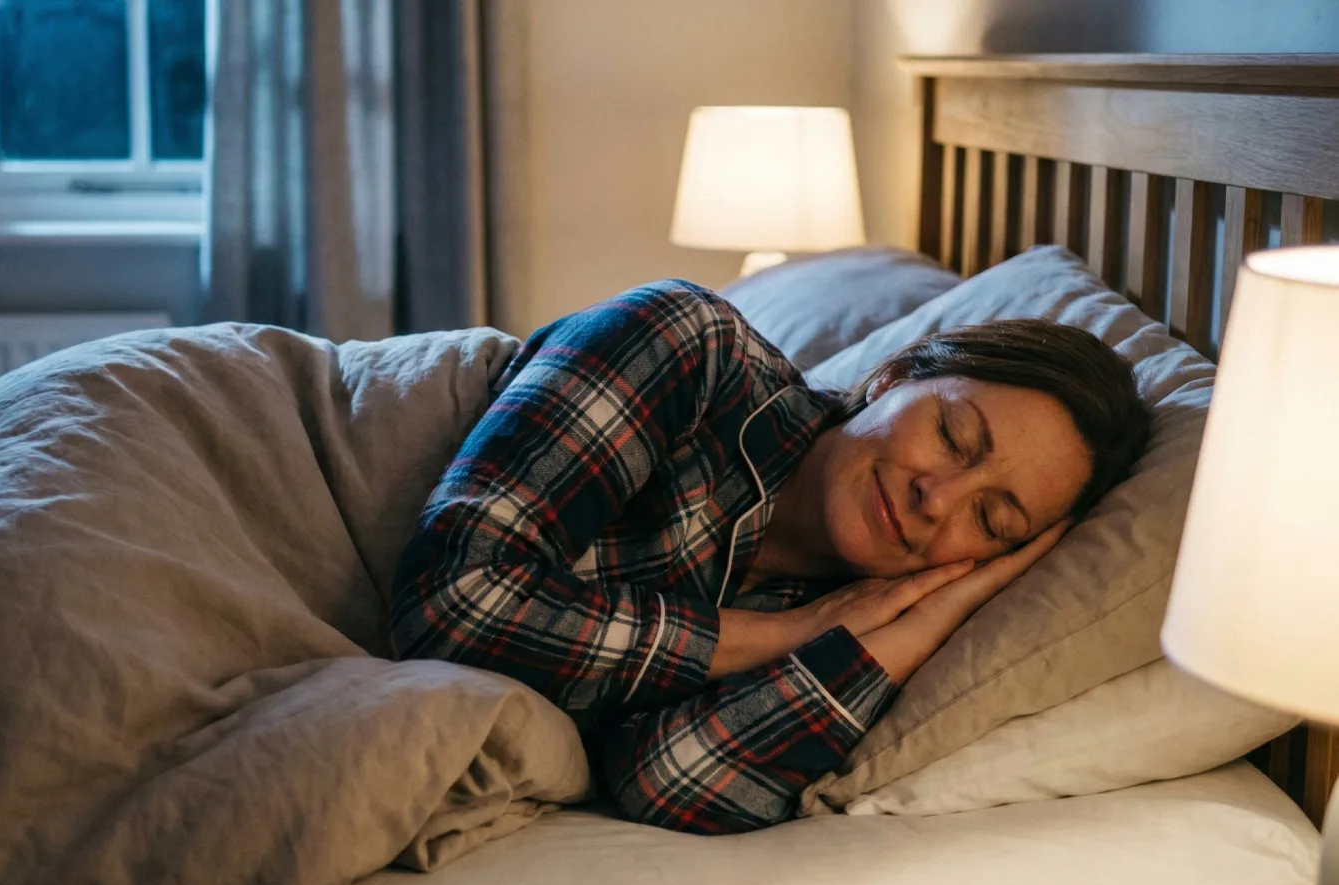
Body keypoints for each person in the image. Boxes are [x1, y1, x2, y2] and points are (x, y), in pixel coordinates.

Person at [389, 279, 1151, 834]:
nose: (938, 499)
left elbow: (666, 782)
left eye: (991, 519)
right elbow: (452, 601)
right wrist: (775, 641)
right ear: (891, 377)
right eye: (953, 436)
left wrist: (911, 634)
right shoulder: (690, 346)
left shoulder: (843, 625)